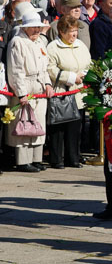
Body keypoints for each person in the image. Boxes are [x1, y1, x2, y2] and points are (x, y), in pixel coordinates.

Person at [6, 10, 54, 172]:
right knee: (24, 124)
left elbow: (45, 67)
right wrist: (21, 93)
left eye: (38, 27)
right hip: (26, 86)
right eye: (33, 27)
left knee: (38, 124)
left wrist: (48, 84)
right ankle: (23, 160)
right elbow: (16, 71)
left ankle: (36, 158)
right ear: (25, 27)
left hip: (39, 86)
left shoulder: (40, 42)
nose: (37, 30)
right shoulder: (17, 42)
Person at [46, 16, 91, 169]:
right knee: (59, 128)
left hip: (79, 94)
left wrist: (85, 74)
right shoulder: (53, 47)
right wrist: (71, 77)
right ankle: (57, 159)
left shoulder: (81, 45)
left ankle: (73, 158)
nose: (74, 35)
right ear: (61, 32)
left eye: (75, 31)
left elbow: (88, 62)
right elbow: (51, 68)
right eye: (70, 32)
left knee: (75, 128)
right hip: (62, 92)